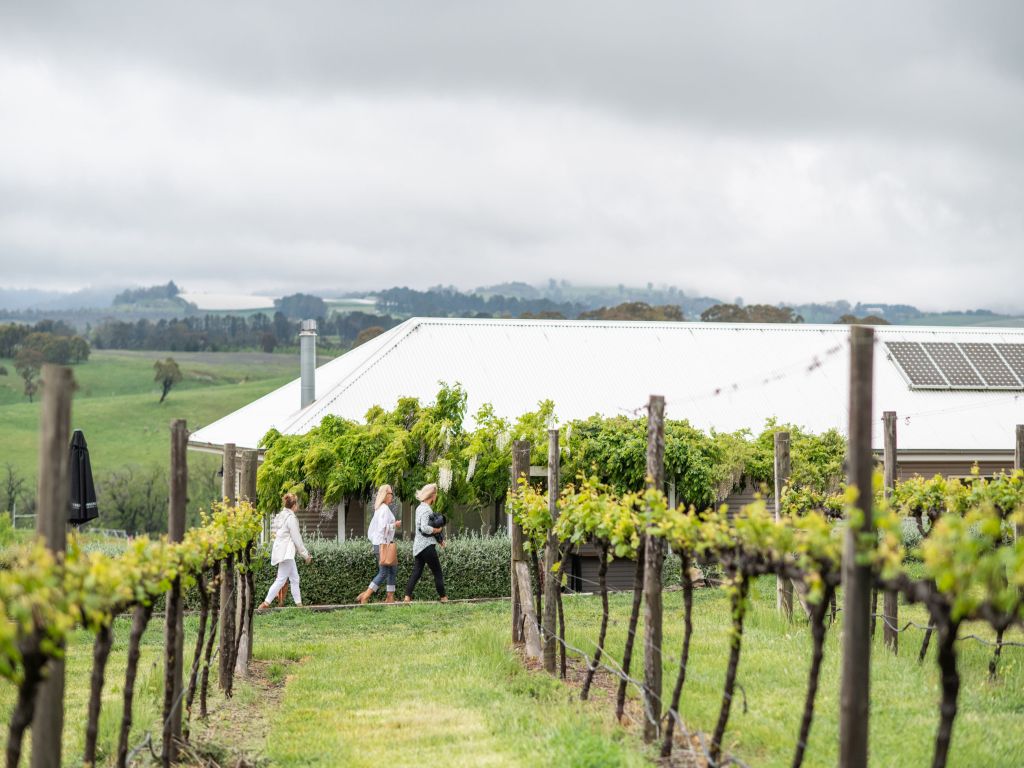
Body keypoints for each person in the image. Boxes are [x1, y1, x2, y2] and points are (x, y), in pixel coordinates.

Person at [258, 492, 311, 610]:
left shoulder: (281, 516)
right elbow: (297, 539)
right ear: (294, 505)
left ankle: (299, 604)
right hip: (286, 554)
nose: (298, 506)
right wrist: (305, 555)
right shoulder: (291, 518)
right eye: (297, 504)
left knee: (295, 578)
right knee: (281, 579)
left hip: (281, 552)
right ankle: (265, 604)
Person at [356, 484, 402, 604]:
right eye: (391, 493)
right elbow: (382, 528)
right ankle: (366, 595)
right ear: (385, 495)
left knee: (392, 569)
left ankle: (390, 597)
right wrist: (395, 525)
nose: (392, 496)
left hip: (383, 544)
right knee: (383, 572)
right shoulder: (384, 509)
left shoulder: (381, 508)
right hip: (382, 545)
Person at [403, 483, 447, 603]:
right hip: (427, 547)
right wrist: (437, 530)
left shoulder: (419, 508)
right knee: (437, 572)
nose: (436, 497)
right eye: (436, 494)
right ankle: (443, 598)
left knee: (416, 572)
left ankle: (407, 597)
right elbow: (424, 528)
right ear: (432, 496)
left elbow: (424, 527)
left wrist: (440, 540)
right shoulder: (427, 509)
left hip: (418, 547)